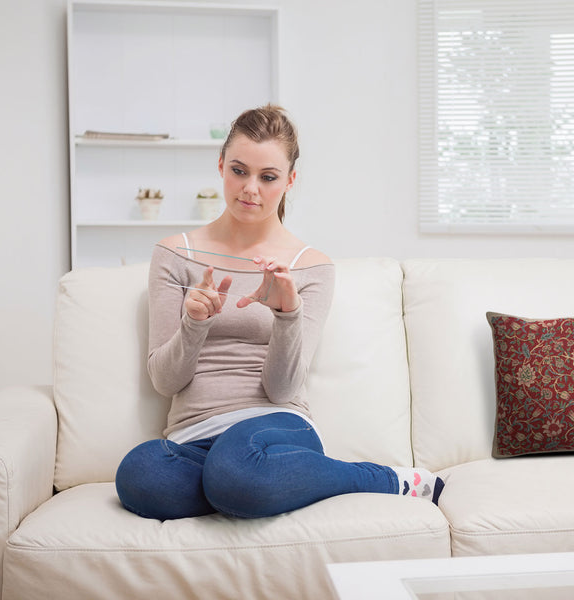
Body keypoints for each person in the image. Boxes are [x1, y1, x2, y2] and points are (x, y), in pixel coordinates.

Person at [115, 105, 444, 520]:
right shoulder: (174, 255)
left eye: (267, 177)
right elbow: (166, 381)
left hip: (275, 428)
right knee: (140, 474)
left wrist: (288, 313)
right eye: (239, 171)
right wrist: (194, 324)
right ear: (220, 166)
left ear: (289, 180)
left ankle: (377, 479)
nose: (250, 188)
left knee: (237, 470)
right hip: (193, 437)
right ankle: (248, 488)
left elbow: (283, 389)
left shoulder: (310, 266)